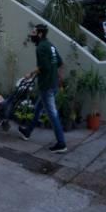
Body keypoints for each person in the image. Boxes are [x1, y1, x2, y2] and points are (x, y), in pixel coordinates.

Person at [18, 24, 67, 153]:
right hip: (53, 84)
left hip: (46, 86)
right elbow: (61, 63)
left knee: (52, 115)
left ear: (40, 34)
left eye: (33, 32)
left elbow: (44, 67)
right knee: (38, 108)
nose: (31, 34)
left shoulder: (40, 48)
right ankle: (28, 132)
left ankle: (61, 143)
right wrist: (60, 80)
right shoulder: (50, 45)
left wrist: (31, 73)